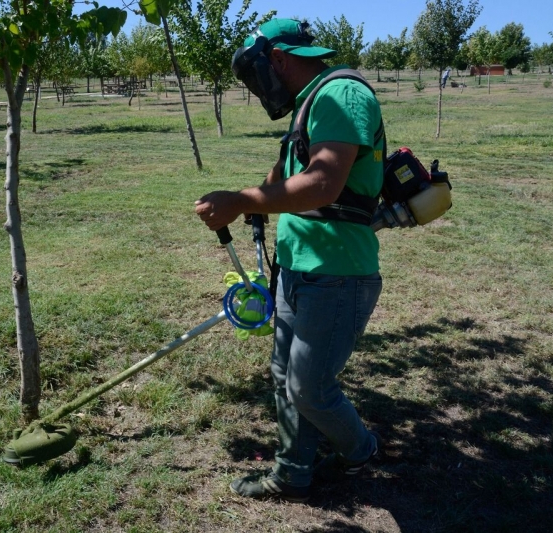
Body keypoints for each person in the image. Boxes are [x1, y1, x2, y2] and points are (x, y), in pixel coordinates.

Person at [195, 18, 383, 502]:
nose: (258, 88)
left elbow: (324, 184)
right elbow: (285, 178)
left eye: (255, 74)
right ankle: (293, 473)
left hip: (337, 274)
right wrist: (249, 205)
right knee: (284, 378)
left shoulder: (340, 95)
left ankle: (361, 449)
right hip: (300, 268)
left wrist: (240, 199)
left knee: (309, 387)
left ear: (275, 59)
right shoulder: (309, 104)